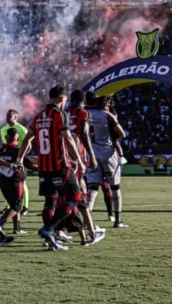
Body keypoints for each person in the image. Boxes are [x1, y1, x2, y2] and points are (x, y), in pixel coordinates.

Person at [16, 85, 86, 251]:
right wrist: (78, 159)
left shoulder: (38, 116)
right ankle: (50, 229)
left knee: (50, 203)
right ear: (62, 98)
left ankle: (50, 240)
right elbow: (68, 138)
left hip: (44, 168)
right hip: (60, 166)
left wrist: (19, 159)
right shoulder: (60, 115)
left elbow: (27, 140)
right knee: (75, 197)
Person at [67, 89, 105, 245]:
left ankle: (61, 231)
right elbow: (83, 134)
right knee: (79, 194)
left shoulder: (64, 113)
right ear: (84, 101)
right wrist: (92, 155)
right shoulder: (83, 113)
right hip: (77, 156)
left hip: (64, 156)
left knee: (66, 193)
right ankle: (89, 232)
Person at [86, 95, 129, 229]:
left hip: (92, 154)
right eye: (108, 102)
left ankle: (86, 221)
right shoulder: (108, 115)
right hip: (108, 154)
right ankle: (118, 220)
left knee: (92, 188)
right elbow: (122, 134)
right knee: (115, 187)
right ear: (105, 104)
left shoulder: (86, 113)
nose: (110, 104)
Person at [85, 91, 114, 221]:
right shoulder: (104, 114)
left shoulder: (84, 112)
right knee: (106, 186)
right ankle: (111, 215)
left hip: (87, 153)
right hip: (104, 152)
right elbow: (118, 133)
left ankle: (86, 215)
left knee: (90, 186)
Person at [0, 128, 27, 235]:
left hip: (3, 182)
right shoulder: (18, 151)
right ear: (17, 138)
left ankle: (16, 228)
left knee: (13, 205)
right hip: (16, 182)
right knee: (17, 206)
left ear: (6, 137)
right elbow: (28, 161)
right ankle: (0, 223)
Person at [0, 109, 30, 216]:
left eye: (9, 116)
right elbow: (5, 145)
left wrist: (21, 158)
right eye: (6, 116)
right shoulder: (3, 129)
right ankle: (9, 206)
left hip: (19, 159)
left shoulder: (22, 129)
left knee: (22, 182)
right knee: (7, 183)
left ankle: (25, 207)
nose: (7, 118)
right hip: (8, 159)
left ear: (16, 117)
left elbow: (28, 145)